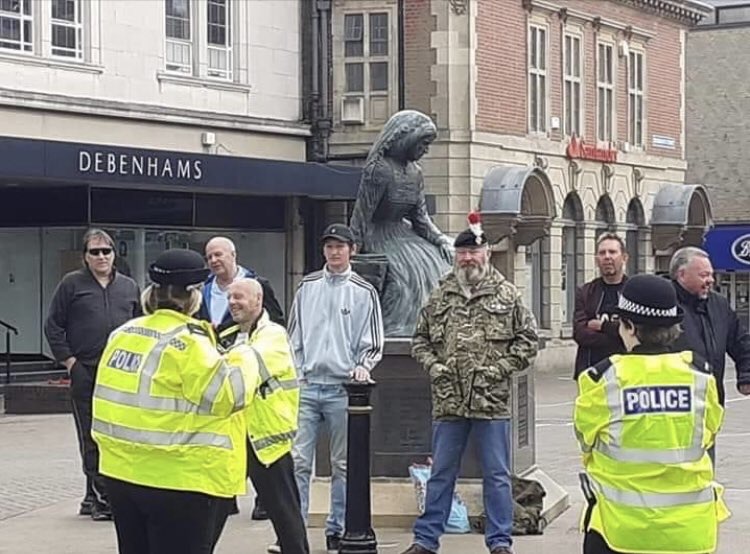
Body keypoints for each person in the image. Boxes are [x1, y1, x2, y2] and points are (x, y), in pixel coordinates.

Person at [91, 249, 262, 554]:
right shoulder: (188, 342)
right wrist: (245, 353)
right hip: (179, 481)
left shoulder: (122, 334)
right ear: (195, 296)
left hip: (120, 474)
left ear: (151, 293)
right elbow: (229, 396)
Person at [401, 215, 539, 554]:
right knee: (442, 474)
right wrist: (433, 366)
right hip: (449, 401)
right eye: (462, 253)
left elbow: (529, 341)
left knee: (496, 475)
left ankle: (500, 541)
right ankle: (426, 540)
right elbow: (419, 340)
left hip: (491, 401)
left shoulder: (508, 295)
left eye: (473, 252)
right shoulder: (440, 294)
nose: (467, 259)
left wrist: (500, 369)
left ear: (486, 253)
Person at [575, 273, 730, 553]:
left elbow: (586, 442)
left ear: (629, 326)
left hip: (620, 531)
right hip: (689, 532)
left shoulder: (602, 380)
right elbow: (709, 435)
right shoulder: (700, 377)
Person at [288, 223, 384, 553]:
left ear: (352, 250)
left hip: (344, 389)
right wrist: (298, 373)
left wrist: (362, 366)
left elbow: (373, 342)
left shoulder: (363, 291)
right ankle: (294, 529)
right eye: (329, 246)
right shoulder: (307, 287)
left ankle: (338, 526)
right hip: (309, 386)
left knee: (343, 463)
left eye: (340, 246)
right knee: (299, 461)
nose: (334, 252)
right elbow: (294, 337)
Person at [44, 228, 140, 521]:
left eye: (106, 251)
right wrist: (70, 362)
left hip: (120, 371)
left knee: (116, 434)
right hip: (85, 369)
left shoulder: (129, 286)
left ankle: (91, 496)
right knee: (91, 435)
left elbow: (138, 326)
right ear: (85, 257)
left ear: (114, 254)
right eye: (94, 252)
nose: (101, 257)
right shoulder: (71, 285)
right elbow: (53, 326)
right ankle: (102, 501)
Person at [215, 278, 309, 554]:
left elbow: (246, 368)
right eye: (230, 297)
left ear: (258, 301)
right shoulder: (226, 334)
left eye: (239, 297)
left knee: (285, 513)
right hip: (232, 437)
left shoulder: (274, 335)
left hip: (265, 441)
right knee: (212, 508)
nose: (233, 303)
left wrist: (220, 359)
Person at [198, 235, 284, 520]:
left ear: (233, 255)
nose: (214, 260)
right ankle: (226, 498)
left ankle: (264, 501)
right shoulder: (204, 290)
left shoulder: (258, 285)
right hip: (220, 376)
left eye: (219, 254)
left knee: (262, 457)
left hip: (258, 388)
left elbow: (277, 321)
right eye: (209, 256)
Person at [349, 109, 453, 337]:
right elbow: (361, 215)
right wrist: (351, 249)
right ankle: (394, 329)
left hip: (404, 235)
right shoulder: (379, 170)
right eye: (423, 143)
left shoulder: (416, 173)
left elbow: (421, 218)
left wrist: (441, 240)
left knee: (444, 263)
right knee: (404, 277)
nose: (425, 150)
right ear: (408, 140)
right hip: (378, 236)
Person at [670, 246, 750, 406]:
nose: (710, 280)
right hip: (677, 402)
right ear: (682, 275)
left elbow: (741, 342)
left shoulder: (719, 304)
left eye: (711, 275)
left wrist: (746, 375)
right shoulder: (664, 303)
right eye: (704, 275)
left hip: (712, 402)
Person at [573, 232, 629, 378]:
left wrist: (603, 327)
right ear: (597, 259)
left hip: (626, 371)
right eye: (602, 253)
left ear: (624, 258)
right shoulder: (586, 292)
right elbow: (580, 334)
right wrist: (619, 335)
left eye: (612, 252)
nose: (607, 257)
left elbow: (638, 331)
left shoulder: (634, 291)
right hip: (591, 371)